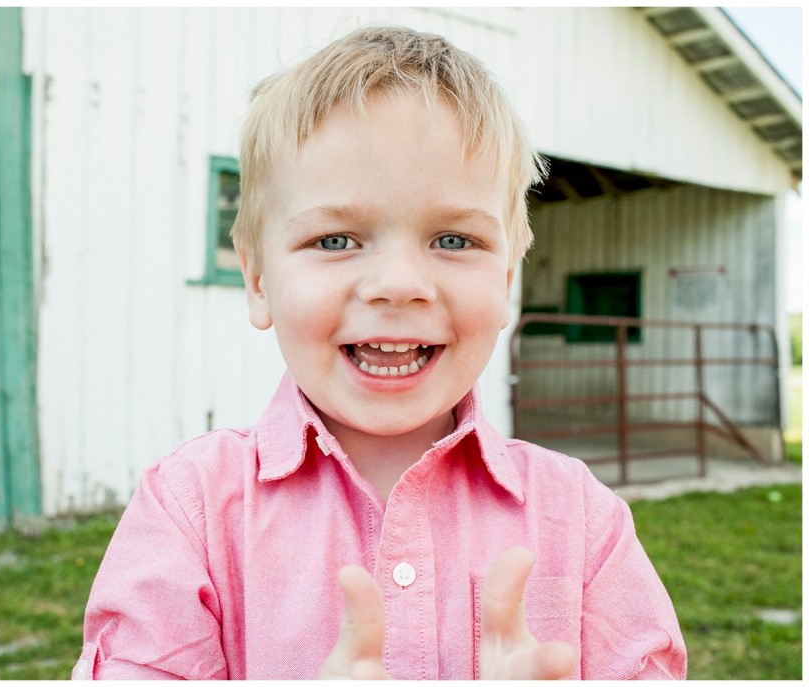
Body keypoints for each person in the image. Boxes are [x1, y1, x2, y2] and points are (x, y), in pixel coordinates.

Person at [72, 25, 686, 680]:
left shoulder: (583, 520)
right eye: (336, 240)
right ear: (257, 280)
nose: (398, 283)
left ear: (507, 283)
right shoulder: (189, 510)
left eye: (453, 240)